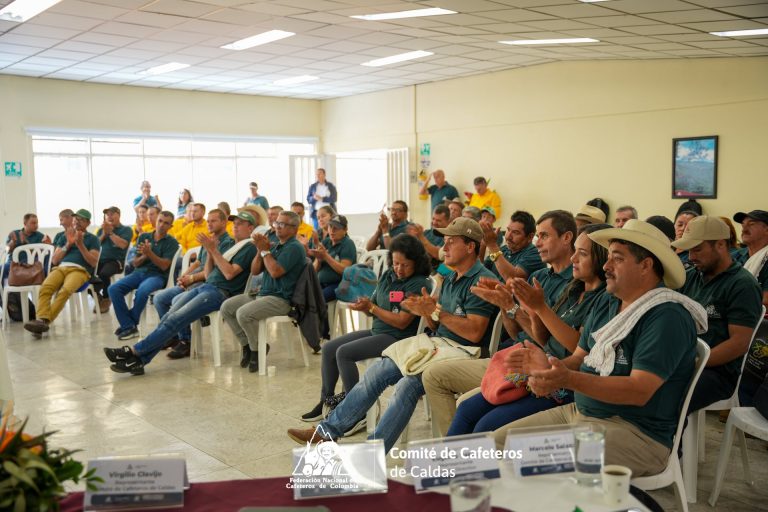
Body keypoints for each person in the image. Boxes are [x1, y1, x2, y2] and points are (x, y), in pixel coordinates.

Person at [493, 220, 703, 478]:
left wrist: (566, 379)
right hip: (583, 412)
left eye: (617, 258)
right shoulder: (608, 300)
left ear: (646, 265)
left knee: (523, 459)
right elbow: (579, 358)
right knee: (493, 447)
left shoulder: (666, 316)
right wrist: (547, 371)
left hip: (635, 433)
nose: (606, 265)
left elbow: (639, 391)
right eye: (608, 257)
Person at [287, 218, 499, 453]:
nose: (444, 247)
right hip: (438, 345)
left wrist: (436, 312)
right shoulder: (451, 277)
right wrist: (428, 312)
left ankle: (371, 454)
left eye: (451, 242)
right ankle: (326, 432)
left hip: (465, 353)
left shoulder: (482, 280)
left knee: (407, 385)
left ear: (470, 246)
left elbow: (474, 333)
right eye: (445, 241)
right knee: (376, 371)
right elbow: (438, 323)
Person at [423, 210, 577, 436]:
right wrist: (506, 306)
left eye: (544, 236)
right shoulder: (540, 277)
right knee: (465, 408)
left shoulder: (576, 286)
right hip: (517, 355)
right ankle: (448, 457)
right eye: (538, 237)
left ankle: (453, 458)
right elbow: (515, 333)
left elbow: (548, 342)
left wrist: (514, 306)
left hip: (541, 367)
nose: (538, 243)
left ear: (566, 238)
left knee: (482, 423)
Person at [448, 224, 610, 435]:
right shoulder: (573, 289)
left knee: (486, 426)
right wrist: (514, 305)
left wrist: (539, 308)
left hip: (562, 383)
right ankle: (445, 458)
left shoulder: (603, 299)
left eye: (583, 253)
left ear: (602, 259)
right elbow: (543, 339)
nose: (573, 258)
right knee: (466, 410)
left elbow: (578, 349)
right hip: (535, 364)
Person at [103, 210, 259, 375]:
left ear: (250, 228)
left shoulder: (248, 247)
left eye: (240, 224)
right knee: (168, 317)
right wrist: (210, 253)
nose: (235, 226)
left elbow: (229, 274)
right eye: (235, 223)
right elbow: (208, 275)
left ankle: (133, 351)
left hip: (219, 293)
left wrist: (213, 251)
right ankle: (139, 361)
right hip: (206, 287)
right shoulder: (233, 246)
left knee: (174, 319)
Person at [301, 234, 433, 422]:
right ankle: (326, 401)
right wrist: (365, 306)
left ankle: (356, 411)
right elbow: (373, 307)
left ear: (416, 263)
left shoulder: (418, 283)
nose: (399, 269)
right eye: (396, 263)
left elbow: (401, 322)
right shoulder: (389, 275)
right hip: (380, 331)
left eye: (405, 265)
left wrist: (372, 308)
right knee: (329, 348)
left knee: (344, 353)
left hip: (399, 337)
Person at [672, 216, 762, 414]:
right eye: (689, 250)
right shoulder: (691, 275)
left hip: (716, 372)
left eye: (697, 249)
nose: (690, 256)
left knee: (667, 397)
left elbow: (739, 343)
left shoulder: (742, 285)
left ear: (720, 245)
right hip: (684, 360)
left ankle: (668, 434)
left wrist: (694, 363)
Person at [220, 210, 307, 372]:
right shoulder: (275, 245)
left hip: (282, 299)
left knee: (243, 313)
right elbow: (255, 271)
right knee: (227, 307)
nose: (277, 227)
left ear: (294, 228)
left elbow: (275, 272)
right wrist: (260, 251)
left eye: (282, 224)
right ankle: (248, 345)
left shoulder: (294, 247)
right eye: (277, 223)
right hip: (263, 294)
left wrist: (265, 251)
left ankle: (257, 350)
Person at [159, 209, 233, 359]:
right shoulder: (208, 239)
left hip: (206, 283)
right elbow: (199, 261)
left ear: (224, 222)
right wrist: (185, 275)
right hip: (197, 279)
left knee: (175, 299)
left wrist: (191, 279)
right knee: (160, 299)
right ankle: (173, 335)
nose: (209, 224)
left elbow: (213, 273)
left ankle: (185, 340)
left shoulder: (227, 243)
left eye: (213, 221)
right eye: (208, 221)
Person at [23, 210, 100, 337]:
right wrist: (68, 244)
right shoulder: (65, 237)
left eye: (81, 220)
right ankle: (42, 322)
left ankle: (43, 322)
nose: (77, 222)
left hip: (80, 270)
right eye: (75, 219)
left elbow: (93, 262)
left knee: (65, 291)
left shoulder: (93, 239)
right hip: (61, 268)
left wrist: (80, 245)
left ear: (88, 223)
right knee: (45, 288)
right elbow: (54, 260)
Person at [108, 211, 179, 341]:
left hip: (158, 276)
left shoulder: (172, 242)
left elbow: (164, 266)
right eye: (160, 221)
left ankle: (129, 324)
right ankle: (128, 325)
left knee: (143, 290)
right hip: (139, 272)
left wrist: (150, 253)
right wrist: (145, 256)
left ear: (171, 226)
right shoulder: (144, 237)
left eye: (166, 223)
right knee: (113, 289)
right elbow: (135, 263)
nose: (161, 225)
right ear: (156, 221)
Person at [481, 210, 544, 281]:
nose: (508, 237)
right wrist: (483, 242)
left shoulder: (536, 254)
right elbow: (481, 271)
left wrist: (492, 245)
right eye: (508, 230)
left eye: (515, 232)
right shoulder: (503, 249)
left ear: (530, 237)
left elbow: (514, 278)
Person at [311, 215, 356, 307]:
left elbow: (344, 270)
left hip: (339, 284)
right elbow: (313, 270)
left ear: (345, 229)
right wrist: (319, 260)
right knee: (301, 294)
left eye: (336, 228)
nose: (332, 231)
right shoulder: (326, 242)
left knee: (315, 299)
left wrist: (326, 256)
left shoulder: (347, 244)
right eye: (330, 227)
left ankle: (319, 316)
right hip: (321, 282)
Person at [94, 207, 133, 313]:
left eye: (112, 214)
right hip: (99, 261)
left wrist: (111, 233)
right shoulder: (101, 230)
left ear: (119, 215)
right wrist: (104, 233)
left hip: (116, 261)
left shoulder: (126, 230)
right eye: (107, 215)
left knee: (104, 274)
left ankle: (106, 298)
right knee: (85, 274)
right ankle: (97, 296)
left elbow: (123, 245)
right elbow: (95, 246)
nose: (109, 217)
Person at [733, 210, 768, 307]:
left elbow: (766, 301)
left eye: (751, 224)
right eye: (743, 225)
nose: (744, 230)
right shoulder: (733, 257)